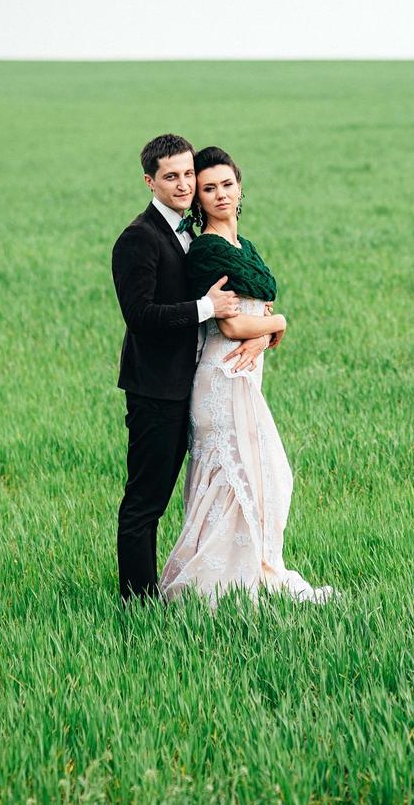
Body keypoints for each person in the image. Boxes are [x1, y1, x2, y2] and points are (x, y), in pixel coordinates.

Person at [159, 146, 338, 607]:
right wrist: (278, 326)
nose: (220, 194)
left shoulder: (245, 246)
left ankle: (254, 569)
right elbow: (233, 325)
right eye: (208, 188)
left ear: (240, 188)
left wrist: (264, 335)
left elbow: (257, 310)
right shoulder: (205, 250)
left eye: (227, 184)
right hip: (222, 379)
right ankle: (214, 584)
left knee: (266, 478)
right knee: (236, 480)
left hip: (246, 373)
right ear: (197, 199)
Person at [110, 134, 270, 602]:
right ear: (149, 181)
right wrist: (204, 307)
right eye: (171, 176)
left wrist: (263, 329)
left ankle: (208, 578)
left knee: (198, 491)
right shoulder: (138, 239)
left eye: (187, 175)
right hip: (155, 390)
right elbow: (139, 316)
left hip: (196, 380)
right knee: (146, 500)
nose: (182, 184)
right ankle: (136, 602)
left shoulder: (188, 236)